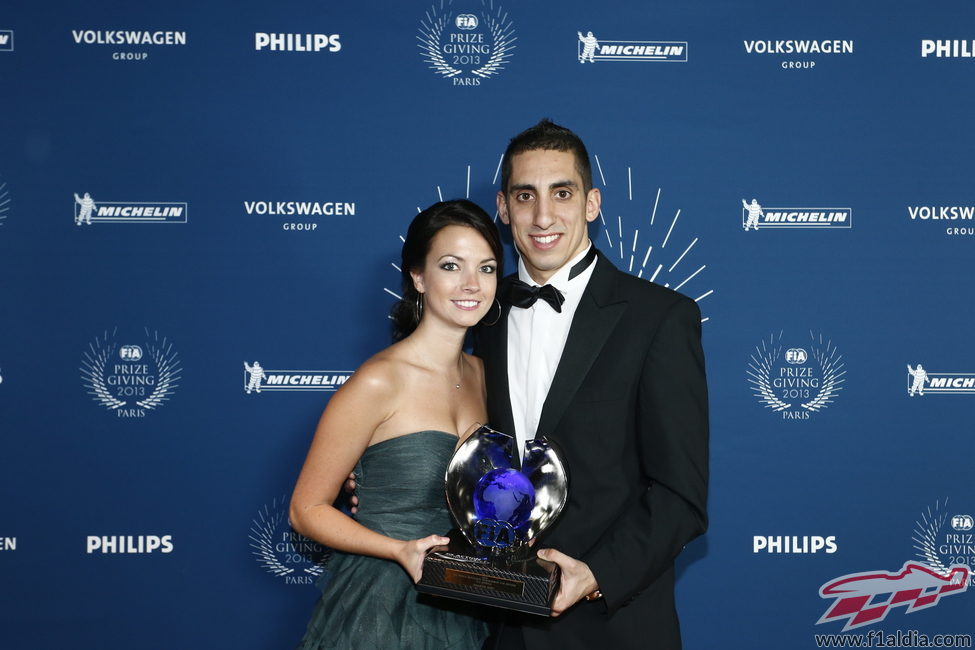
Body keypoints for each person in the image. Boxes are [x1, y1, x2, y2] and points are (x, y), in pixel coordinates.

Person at [476, 119, 709, 649]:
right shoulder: (477, 315)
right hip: (496, 627)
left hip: (612, 629)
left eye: (562, 193)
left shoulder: (660, 317)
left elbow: (681, 497)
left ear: (592, 203)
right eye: (525, 195)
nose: (542, 216)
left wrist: (594, 575)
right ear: (503, 208)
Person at [290, 199, 503, 649]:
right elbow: (305, 511)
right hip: (381, 603)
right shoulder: (379, 380)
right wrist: (397, 549)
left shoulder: (486, 376)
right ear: (418, 277)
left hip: (463, 600)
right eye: (451, 265)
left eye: (486, 268)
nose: (471, 284)